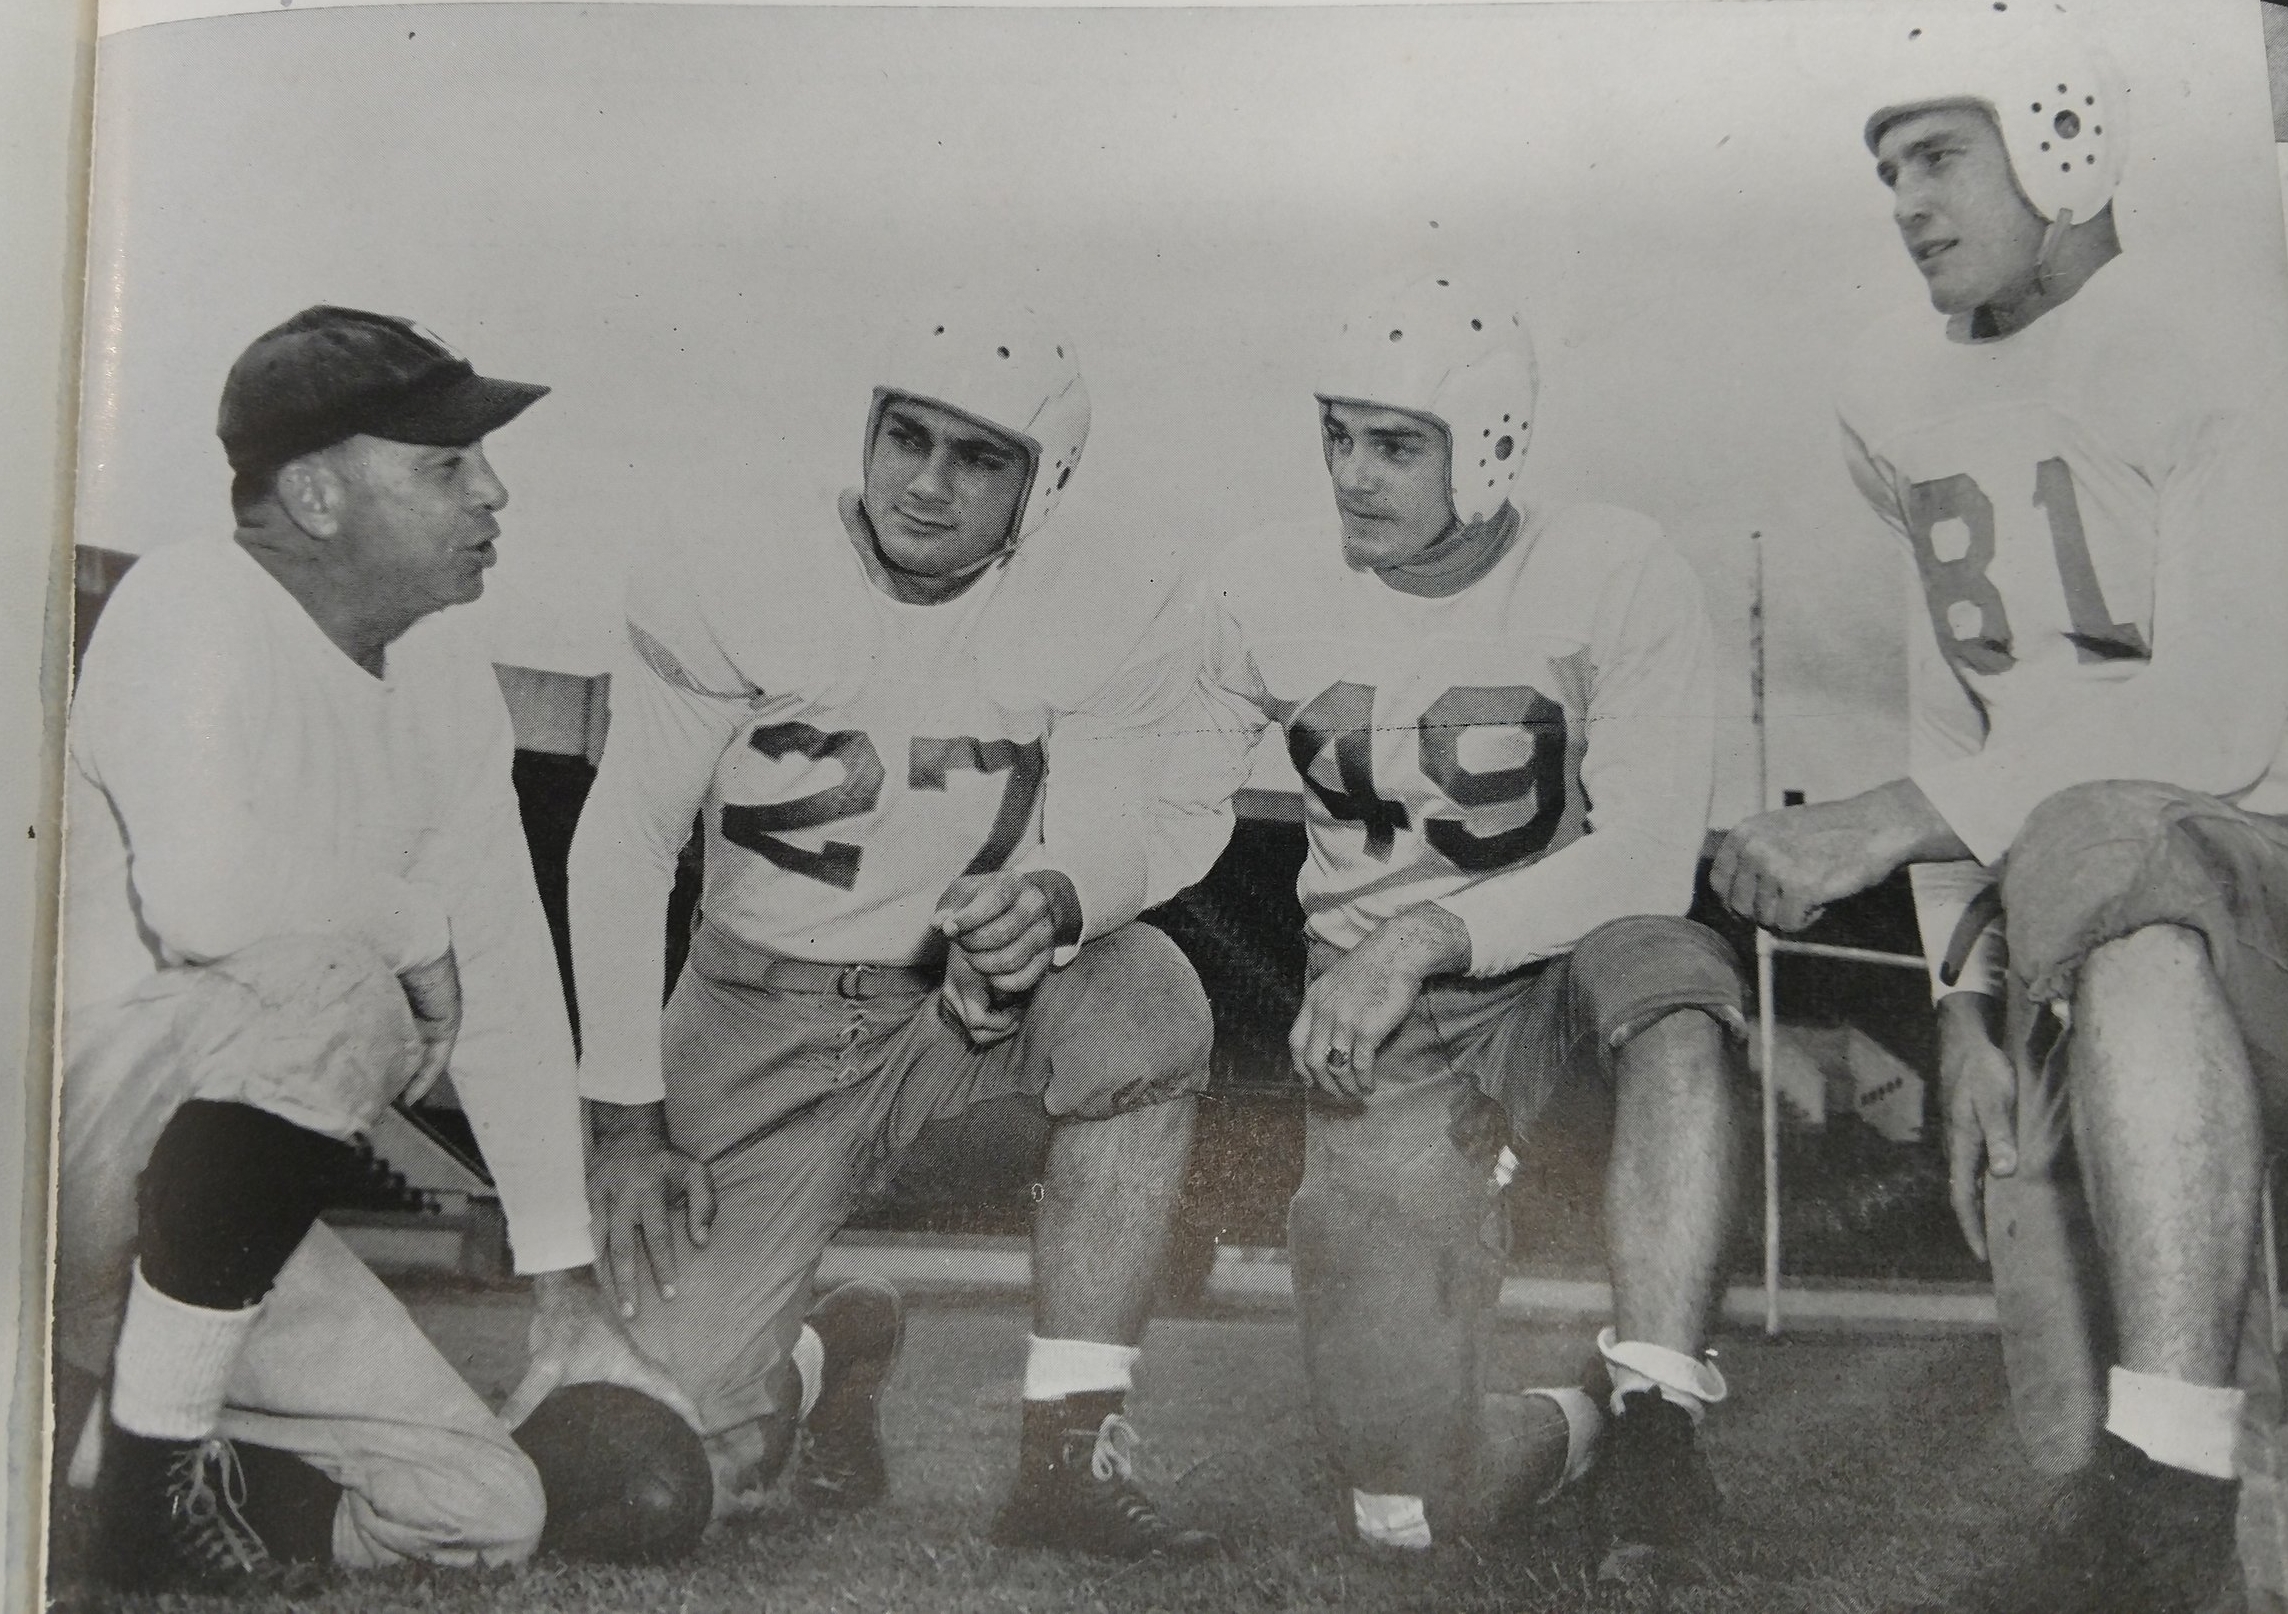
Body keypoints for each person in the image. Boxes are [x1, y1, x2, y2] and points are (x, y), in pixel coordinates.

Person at [1711, 8, 2288, 1610]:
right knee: (2074, 1454)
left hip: (2277, 870)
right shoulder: (1897, 388)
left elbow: (2220, 719)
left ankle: (2184, 1476)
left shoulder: (2198, 340)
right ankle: (2183, 1504)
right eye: (1884, 171)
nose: (1903, 203)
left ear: (2060, 135)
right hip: (2072, 905)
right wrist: (1959, 1004)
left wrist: (1893, 819)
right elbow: (1955, 696)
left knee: (2121, 845)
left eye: (1936, 155)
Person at [563, 303, 1221, 1557]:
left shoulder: (1111, 593)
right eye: (904, 437)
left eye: (978, 458)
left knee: (1145, 996)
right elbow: (625, 842)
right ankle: (831, 1346)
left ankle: (1070, 1447)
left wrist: (1052, 901)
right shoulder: (732, 562)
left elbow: (1114, 828)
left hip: (963, 1007)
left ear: (1046, 483)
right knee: (657, 1455)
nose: (925, 483)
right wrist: (626, 1120)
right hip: (756, 1014)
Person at [56, 305, 694, 1594]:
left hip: (197, 1223)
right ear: (316, 493)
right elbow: (203, 898)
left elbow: (505, 962)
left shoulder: (443, 661)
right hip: (60, 1167)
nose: (493, 491)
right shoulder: (189, 600)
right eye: (445, 465)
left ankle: (95, 1462)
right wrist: (412, 934)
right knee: (338, 982)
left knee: (476, 1509)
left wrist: (560, 1281)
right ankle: (145, 1475)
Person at [1168, 274, 1747, 1578]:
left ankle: (1659, 1410)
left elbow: (1652, 855)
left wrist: (1425, 932)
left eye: (1396, 442)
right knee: (1407, 1506)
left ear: (1487, 445)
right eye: (1338, 433)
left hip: (1564, 969)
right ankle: (1585, 1419)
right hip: (1390, 1034)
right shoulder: (1257, 583)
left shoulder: (1612, 566)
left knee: (1676, 985)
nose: (1353, 475)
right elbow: (1161, 806)